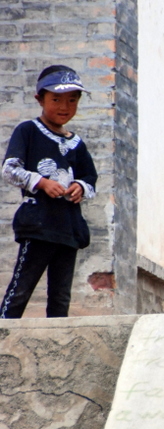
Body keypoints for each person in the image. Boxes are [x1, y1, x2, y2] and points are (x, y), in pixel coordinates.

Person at [0, 65, 97, 318]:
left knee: (61, 295)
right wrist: (41, 182)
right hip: (38, 225)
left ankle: (60, 343)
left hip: (69, 228)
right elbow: (9, 169)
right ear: (39, 99)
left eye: (72, 100)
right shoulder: (28, 131)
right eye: (56, 99)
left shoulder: (76, 143)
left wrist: (80, 187)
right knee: (22, 288)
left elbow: (90, 177)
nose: (64, 107)